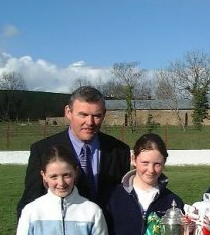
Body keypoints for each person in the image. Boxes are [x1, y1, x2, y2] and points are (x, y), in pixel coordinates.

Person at [17, 85, 131, 217]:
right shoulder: (42, 150)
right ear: (68, 112)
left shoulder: (120, 151)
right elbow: (31, 199)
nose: (90, 122)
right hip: (62, 234)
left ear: (104, 114)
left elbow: (123, 200)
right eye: (83, 115)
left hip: (108, 234)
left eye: (96, 116)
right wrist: (24, 230)